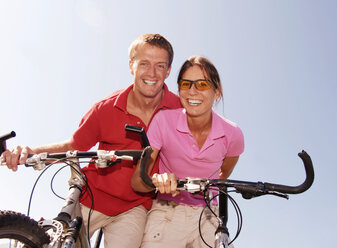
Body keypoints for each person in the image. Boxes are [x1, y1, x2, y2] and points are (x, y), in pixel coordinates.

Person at [0, 33, 182, 247]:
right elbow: (73, 146)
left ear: (168, 70)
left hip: (135, 207)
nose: (152, 73)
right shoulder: (105, 108)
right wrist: (29, 151)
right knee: (55, 242)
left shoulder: (180, 111)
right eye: (144, 63)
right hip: (91, 196)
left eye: (160, 66)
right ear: (131, 66)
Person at [131, 56, 245, 248]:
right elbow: (137, 182)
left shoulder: (233, 134)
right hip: (167, 211)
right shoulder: (163, 121)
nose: (192, 91)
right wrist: (156, 181)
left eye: (202, 84)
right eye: (186, 84)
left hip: (208, 214)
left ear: (216, 92)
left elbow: (224, 175)